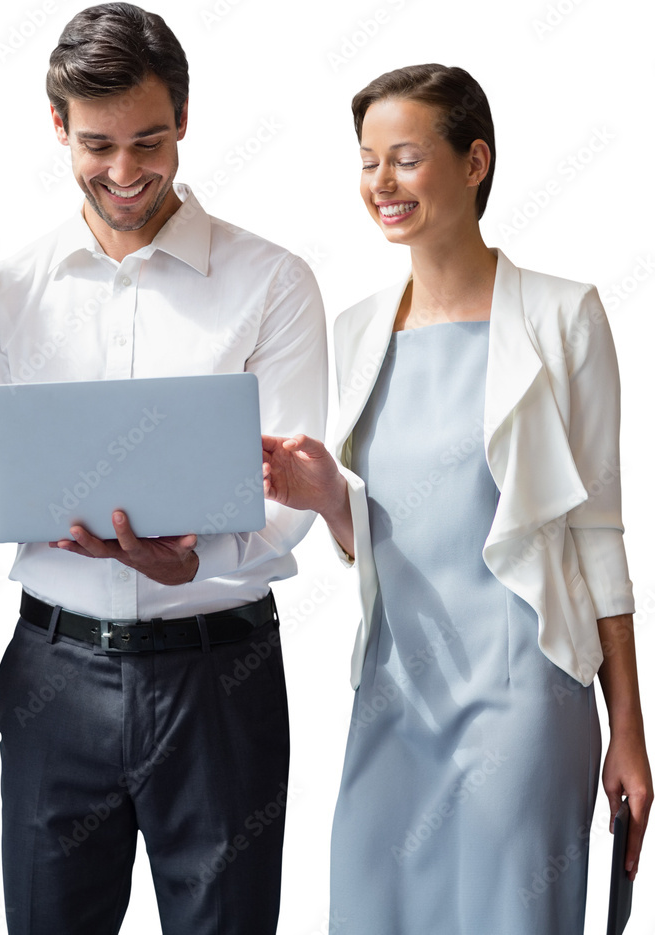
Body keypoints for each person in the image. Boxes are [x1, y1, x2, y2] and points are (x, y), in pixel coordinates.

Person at [0, 5, 326, 932]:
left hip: (218, 677)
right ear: (57, 125)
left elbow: (295, 493)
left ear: (185, 120)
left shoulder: (272, 280)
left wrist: (196, 561)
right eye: (98, 144)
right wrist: (49, 508)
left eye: (149, 141)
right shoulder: (7, 290)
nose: (124, 172)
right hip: (54, 674)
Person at [262, 64, 651, 934]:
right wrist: (327, 500)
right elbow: (381, 536)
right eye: (368, 162)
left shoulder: (564, 316)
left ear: (475, 161)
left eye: (404, 158)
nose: (381, 184)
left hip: (523, 697)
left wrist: (628, 724)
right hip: (395, 695)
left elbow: (597, 533)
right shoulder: (358, 330)